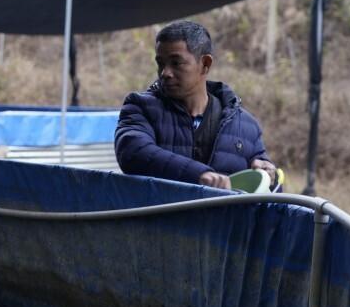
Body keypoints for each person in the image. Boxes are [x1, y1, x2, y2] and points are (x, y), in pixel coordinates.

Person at [114, 20, 276, 190]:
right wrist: (198, 175)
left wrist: (268, 172)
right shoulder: (140, 107)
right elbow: (133, 152)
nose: (165, 73)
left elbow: (269, 187)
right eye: (161, 63)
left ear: (205, 64)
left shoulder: (245, 125)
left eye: (176, 63)